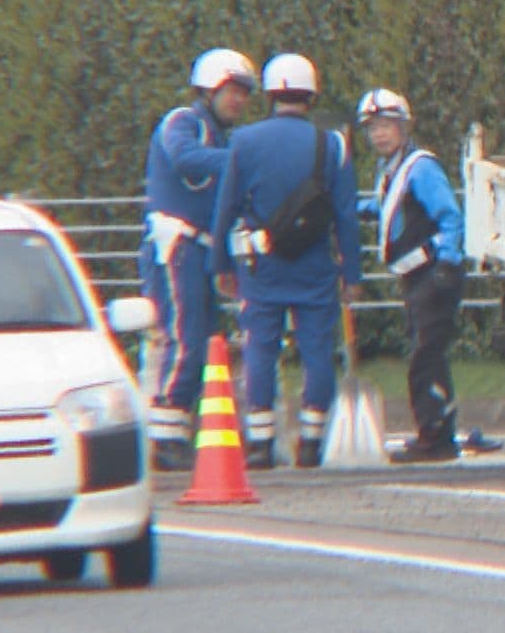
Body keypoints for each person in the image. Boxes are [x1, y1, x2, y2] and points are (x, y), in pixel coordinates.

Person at [211, 53, 362, 469]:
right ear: (311, 95)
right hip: (314, 264)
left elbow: (226, 208)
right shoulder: (332, 144)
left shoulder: (244, 141)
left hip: (263, 264)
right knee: (317, 348)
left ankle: (260, 440)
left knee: (261, 345)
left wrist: (221, 264)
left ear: (271, 93)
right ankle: (311, 439)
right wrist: (352, 272)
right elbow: (345, 214)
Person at [140, 48, 256, 470]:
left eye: (244, 93)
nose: (238, 100)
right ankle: (164, 432)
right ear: (207, 89)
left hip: (203, 248)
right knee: (184, 335)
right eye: (231, 91)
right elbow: (184, 157)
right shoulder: (181, 121)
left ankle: (179, 427)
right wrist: (245, 161)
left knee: (207, 338)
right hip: (176, 244)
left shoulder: (227, 140)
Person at [354, 88, 471, 463]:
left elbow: (450, 216)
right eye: (372, 128)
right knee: (425, 352)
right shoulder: (391, 171)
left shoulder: (420, 167)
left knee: (427, 355)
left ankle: (435, 437)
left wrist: (447, 265)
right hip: (415, 277)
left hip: (432, 274)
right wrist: (355, 208)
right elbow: (390, 208)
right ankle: (436, 431)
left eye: (385, 126)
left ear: (404, 126)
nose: (378, 135)